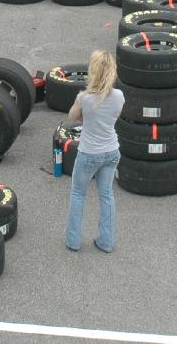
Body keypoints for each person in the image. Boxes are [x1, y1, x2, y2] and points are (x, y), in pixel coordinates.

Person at [65, 49, 124, 253]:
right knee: (106, 194)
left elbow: (72, 117)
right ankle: (106, 241)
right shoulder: (119, 96)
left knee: (78, 193)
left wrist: (85, 115)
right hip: (112, 151)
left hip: (89, 153)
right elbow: (113, 117)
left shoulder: (84, 98)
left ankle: (73, 240)